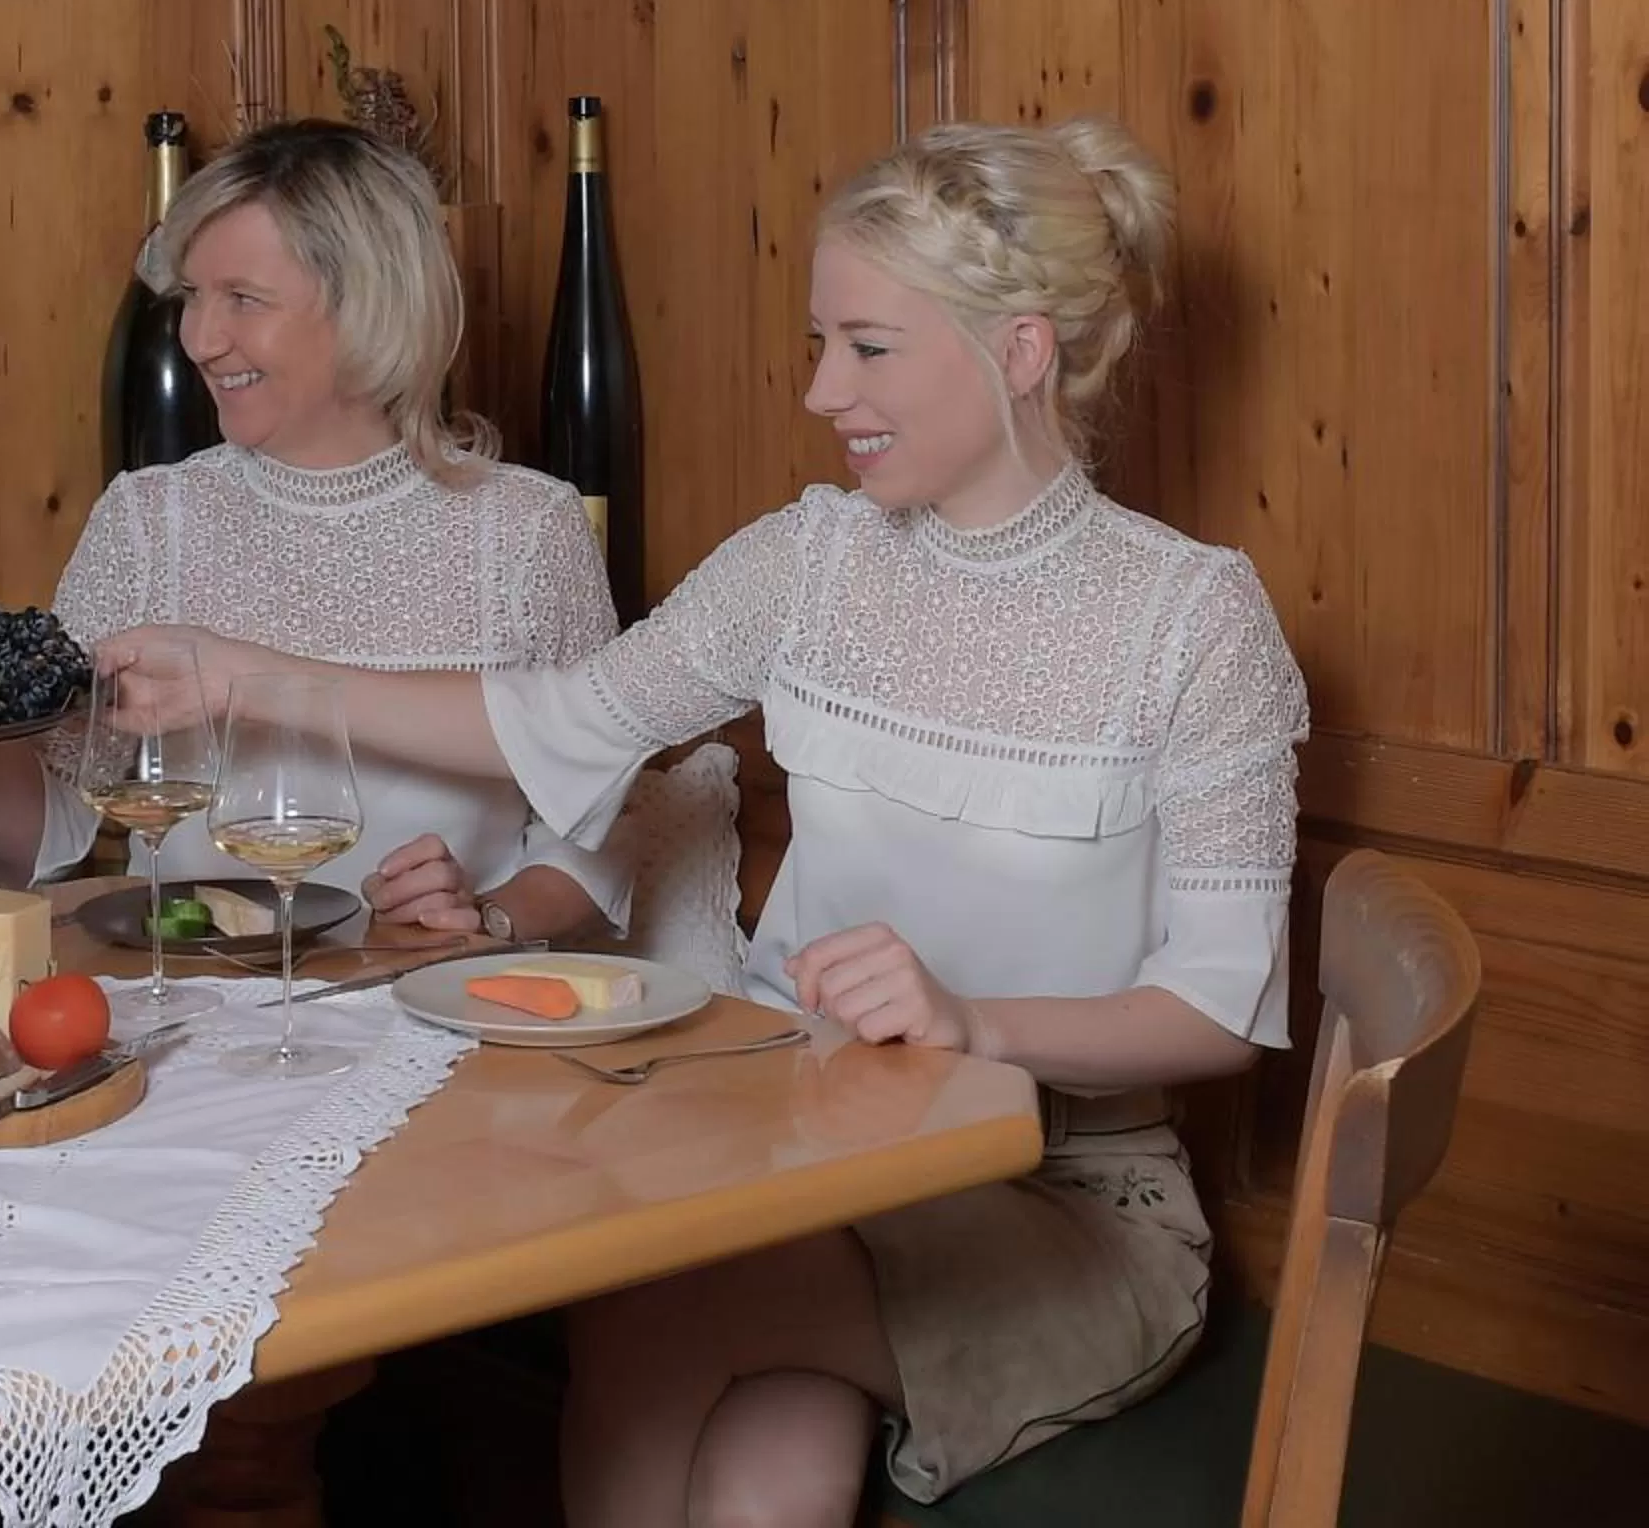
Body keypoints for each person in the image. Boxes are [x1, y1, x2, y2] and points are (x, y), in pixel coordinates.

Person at [102, 116, 1311, 1522]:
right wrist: (241, 674)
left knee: (659, 1291)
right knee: (764, 1463)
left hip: (1060, 1197)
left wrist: (976, 1023)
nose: (819, 390)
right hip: (796, 1156)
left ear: (1021, 350)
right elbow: (554, 719)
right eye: (820, 341)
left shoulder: (1193, 621)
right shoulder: (807, 561)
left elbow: (1219, 1015)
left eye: (867, 347)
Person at [0, 119, 744, 976]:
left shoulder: (526, 529)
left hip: (442, 1017)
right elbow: (43, 846)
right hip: (202, 1013)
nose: (199, 339)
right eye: (191, 296)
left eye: (243, 300)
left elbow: (600, 829)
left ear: (366, 304)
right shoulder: (147, 519)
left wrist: (490, 918)